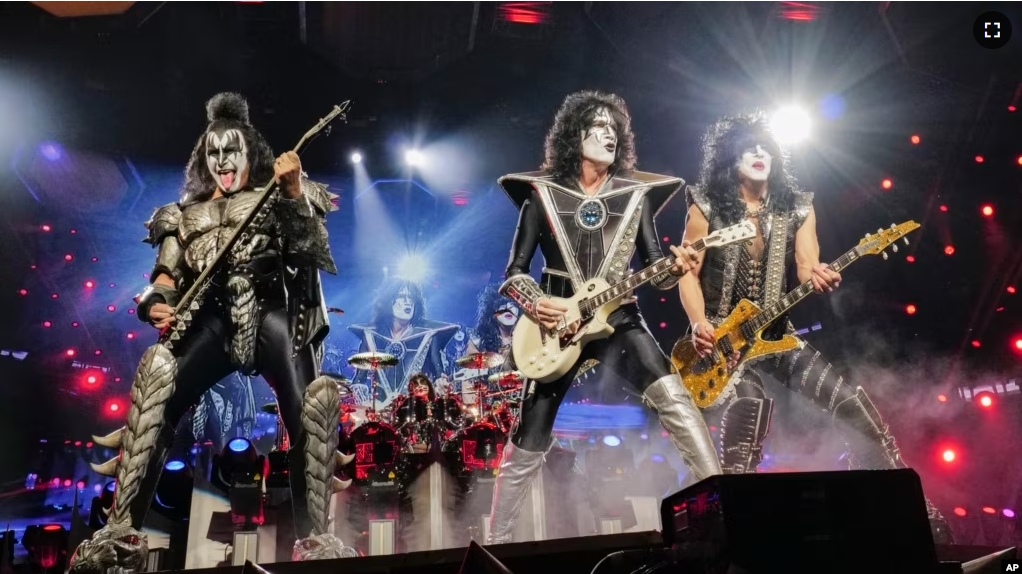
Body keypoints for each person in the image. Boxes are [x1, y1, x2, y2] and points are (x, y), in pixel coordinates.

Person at [70, 93, 353, 573]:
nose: (223, 161)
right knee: (156, 381)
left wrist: (291, 194)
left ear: (250, 151)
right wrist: (156, 304)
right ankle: (119, 535)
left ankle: (317, 538)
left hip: (272, 313)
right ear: (204, 156)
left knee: (315, 403)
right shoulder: (181, 215)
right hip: (211, 319)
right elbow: (163, 281)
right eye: (214, 152)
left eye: (232, 150)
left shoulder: (282, 194)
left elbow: (310, 253)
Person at [677, 111, 951, 543]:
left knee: (853, 407)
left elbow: (806, 268)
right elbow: (687, 272)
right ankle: (728, 527)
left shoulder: (799, 206)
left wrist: (822, 274)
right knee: (749, 408)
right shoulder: (706, 203)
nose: (759, 153)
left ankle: (904, 507)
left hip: (776, 337)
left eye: (766, 146)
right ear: (731, 157)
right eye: (749, 146)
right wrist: (698, 324)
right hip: (722, 345)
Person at [486, 90, 721, 544]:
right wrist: (539, 305)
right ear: (575, 135)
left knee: (675, 396)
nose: (608, 133)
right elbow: (513, 274)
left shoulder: (638, 196)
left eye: (614, 128)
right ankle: (495, 546)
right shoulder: (542, 195)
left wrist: (676, 268)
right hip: (555, 327)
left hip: (620, 319)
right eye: (598, 126)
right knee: (529, 434)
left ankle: (721, 504)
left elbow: (657, 269)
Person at [347, 279, 458, 408]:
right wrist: (363, 404)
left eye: (411, 297)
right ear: (389, 301)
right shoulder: (371, 335)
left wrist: (441, 382)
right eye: (401, 296)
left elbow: (439, 371)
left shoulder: (429, 334)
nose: (408, 301)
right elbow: (359, 380)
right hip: (380, 410)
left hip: (416, 408)